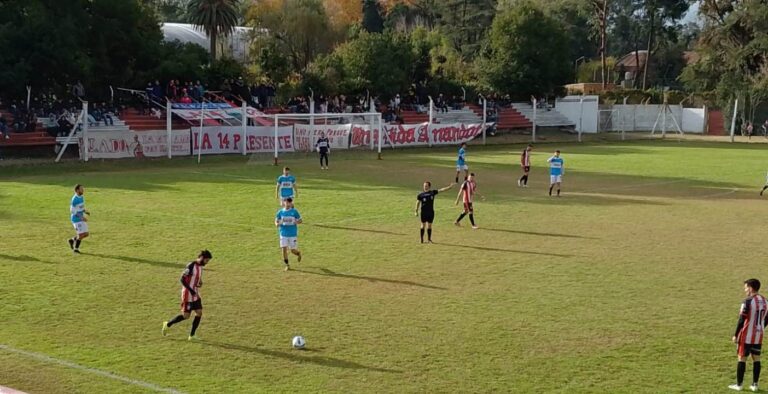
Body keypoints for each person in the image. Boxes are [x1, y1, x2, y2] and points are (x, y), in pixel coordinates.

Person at [161, 250, 213, 341]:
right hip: (187, 295)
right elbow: (182, 279)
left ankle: (192, 335)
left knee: (199, 313)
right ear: (202, 258)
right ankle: (167, 324)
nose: (207, 262)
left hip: (195, 294)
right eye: (206, 260)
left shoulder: (200, 267)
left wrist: (200, 282)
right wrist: (191, 290)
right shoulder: (191, 265)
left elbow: (196, 279)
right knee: (186, 316)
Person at [729, 278, 768, 391]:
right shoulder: (766, 301)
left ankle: (739, 385)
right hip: (758, 335)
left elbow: (741, 319)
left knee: (742, 358)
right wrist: (760, 327)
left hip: (746, 335)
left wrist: (736, 334)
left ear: (750, 288)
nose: (745, 290)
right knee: (756, 359)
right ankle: (755, 385)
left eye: (746, 287)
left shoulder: (747, 301)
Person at [275, 198, 302, 271]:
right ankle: (287, 265)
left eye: (289, 202)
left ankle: (298, 253)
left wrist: (296, 222)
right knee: (284, 249)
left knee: (292, 250)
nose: (288, 203)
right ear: (284, 202)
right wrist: (277, 224)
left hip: (292, 234)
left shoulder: (294, 211)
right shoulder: (280, 212)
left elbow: (300, 220)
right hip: (283, 233)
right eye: (287, 202)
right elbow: (276, 220)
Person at [68, 184, 90, 254]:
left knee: (86, 234)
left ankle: (72, 240)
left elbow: (81, 207)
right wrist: (81, 217)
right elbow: (72, 211)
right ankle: (76, 249)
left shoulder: (81, 197)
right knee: (81, 235)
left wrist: (85, 211)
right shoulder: (74, 199)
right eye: (81, 189)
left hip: (81, 218)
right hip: (76, 219)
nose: (83, 190)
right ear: (77, 190)